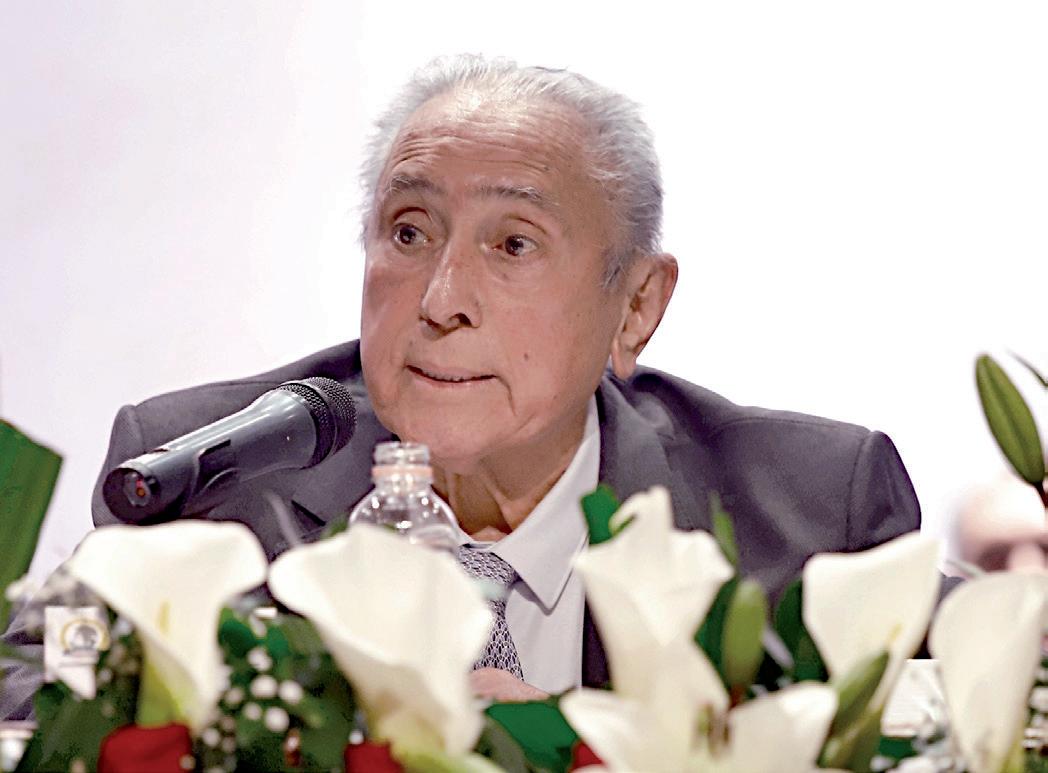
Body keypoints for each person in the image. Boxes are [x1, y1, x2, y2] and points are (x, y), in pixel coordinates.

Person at [2, 55, 921, 716]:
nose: (441, 300)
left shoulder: (810, 510)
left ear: (636, 305)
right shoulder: (211, 474)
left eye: (513, 244)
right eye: (409, 232)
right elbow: (35, 686)